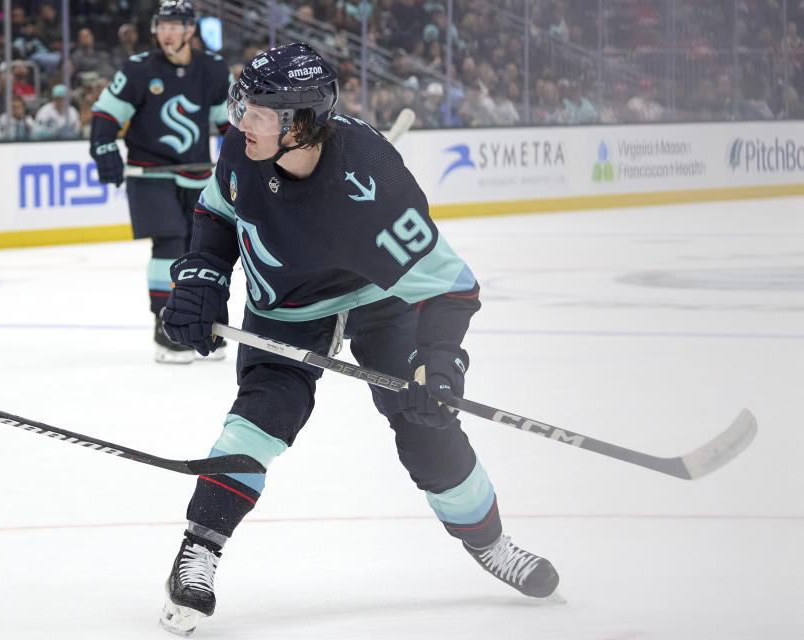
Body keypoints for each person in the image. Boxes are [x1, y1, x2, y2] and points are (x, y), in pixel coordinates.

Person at [156, 42, 560, 637]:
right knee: (261, 416)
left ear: (300, 125)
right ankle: (199, 551)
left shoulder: (373, 182)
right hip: (286, 307)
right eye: (244, 106)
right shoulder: (242, 150)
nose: (243, 120)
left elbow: (452, 286)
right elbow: (216, 211)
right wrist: (202, 276)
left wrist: (439, 360)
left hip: (377, 299)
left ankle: (490, 544)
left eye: (260, 113)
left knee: (426, 422)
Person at [89, 0, 232, 364]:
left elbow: (227, 123)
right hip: (149, 172)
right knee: (169, 242)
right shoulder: (139, 70)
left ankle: (200, 322)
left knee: (200, 248)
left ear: (190, 30)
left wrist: (245, 159)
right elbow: (106, 113)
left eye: (174, 26)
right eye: (162, 26)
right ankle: (165, 325)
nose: (166, 33)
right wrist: (104, 148)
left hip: (197, 173)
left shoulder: (213, 68)